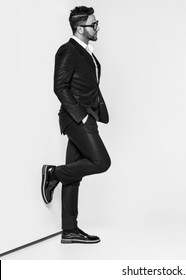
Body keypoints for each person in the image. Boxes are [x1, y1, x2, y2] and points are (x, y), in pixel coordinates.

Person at [41, 6, 110, 244]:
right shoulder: (67, 51)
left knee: (75, 175)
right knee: (102, 162)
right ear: (80, 28)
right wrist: (82, 116)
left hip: (85, 115)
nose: (97, 27)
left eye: (96, 22)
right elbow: (60, 87)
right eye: (93, 24)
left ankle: (69, 230)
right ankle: (53, 173)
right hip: (76, 118)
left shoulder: (85, 51)